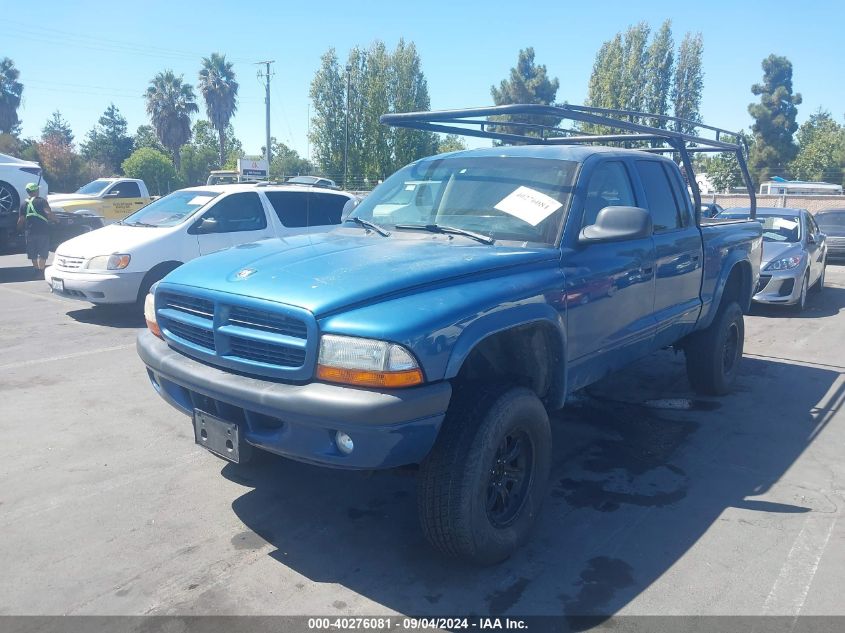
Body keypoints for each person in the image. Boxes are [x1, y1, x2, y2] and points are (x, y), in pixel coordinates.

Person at [18, 182, 55, 275]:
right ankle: (41, 270)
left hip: (29, 232)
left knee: (32, 253)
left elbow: (21, 220)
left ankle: (36, 269)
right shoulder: (42, 201)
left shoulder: (23, 204)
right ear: (36, 191)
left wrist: (18, 230)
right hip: (43, 231)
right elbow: (49, 213)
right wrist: (57, 221)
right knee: (43, 252)